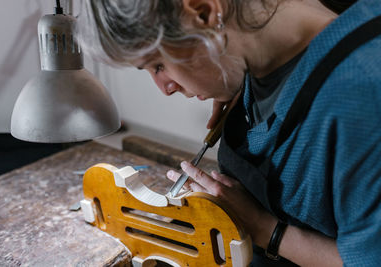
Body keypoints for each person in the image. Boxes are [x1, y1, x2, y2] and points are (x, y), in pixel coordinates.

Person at [78, 0, 381, 266]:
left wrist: (264, 229)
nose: (165, 88)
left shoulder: (361, 93)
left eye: (158, 65)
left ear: (204, 12)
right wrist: (240, 78)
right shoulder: (261, 54)